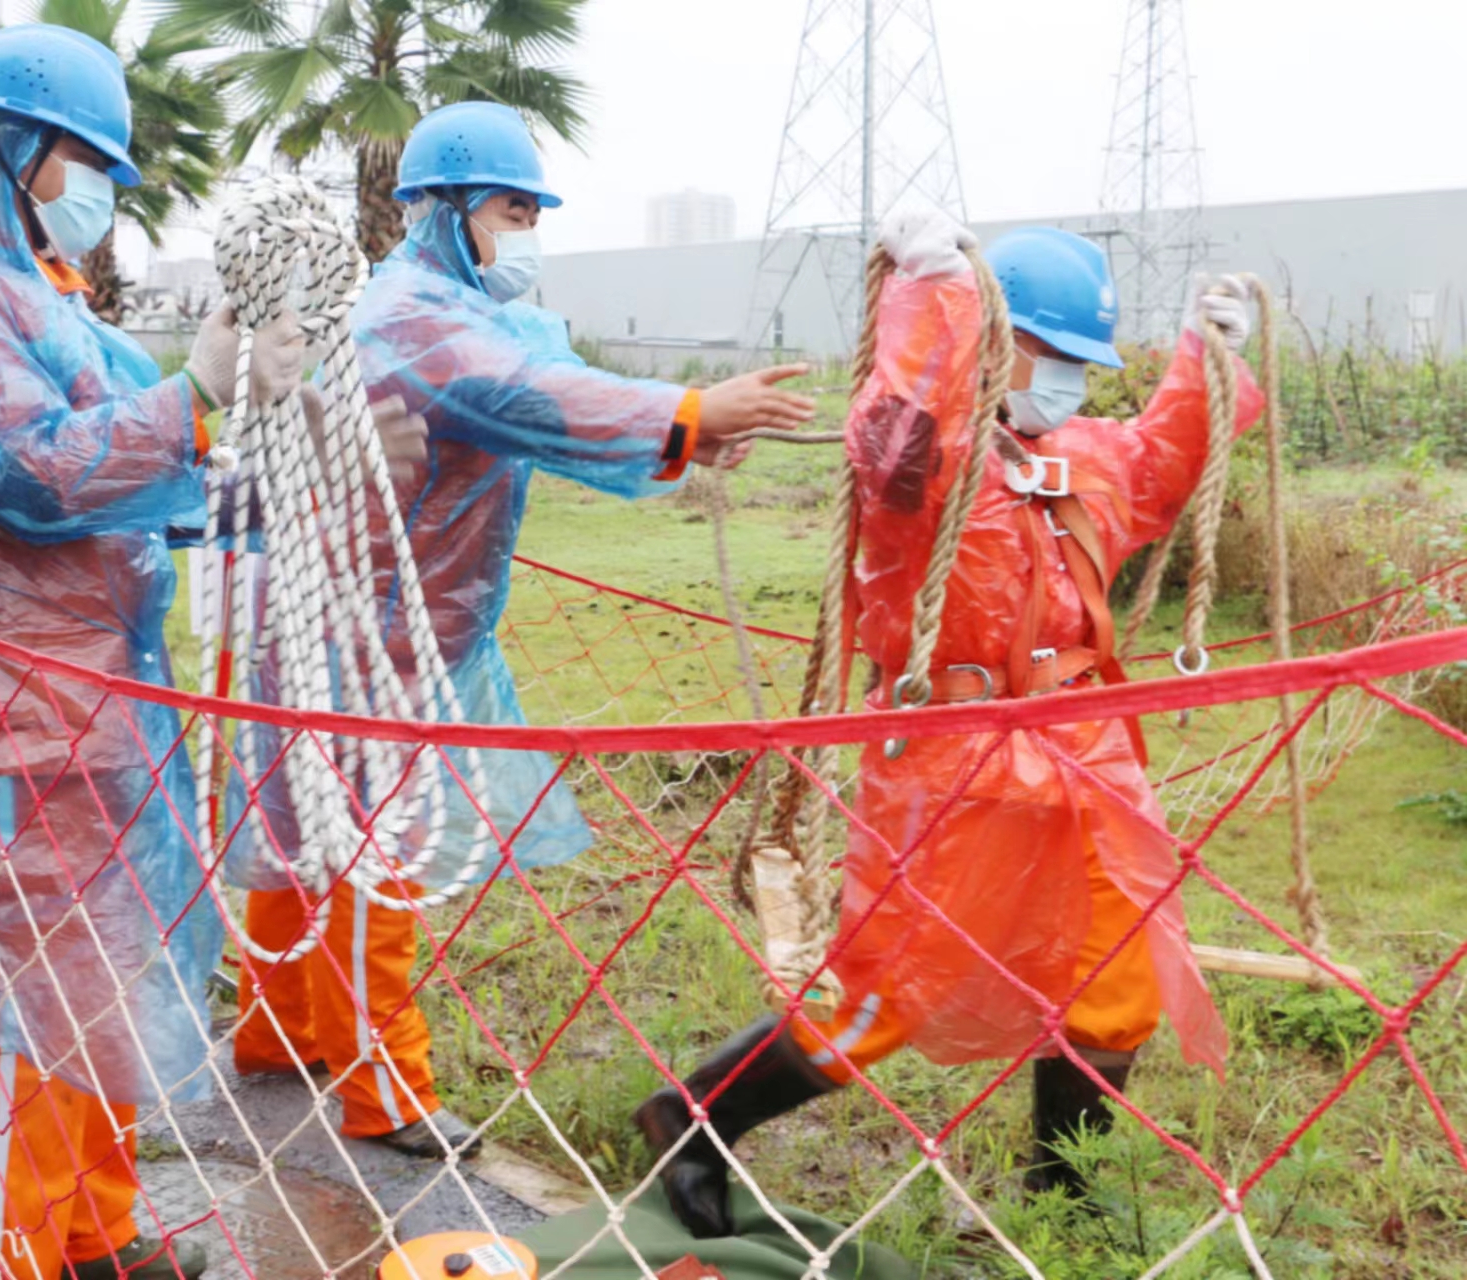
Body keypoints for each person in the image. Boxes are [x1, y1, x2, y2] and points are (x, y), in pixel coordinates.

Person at [634, 209, 1266, 1237]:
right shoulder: (923, 465)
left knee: (1115, 979)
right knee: (890, 991)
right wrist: (933, 296)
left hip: (1083, 750)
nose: (1065, 374)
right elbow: (902, 437)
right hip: (949, 755)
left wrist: (1205, 352)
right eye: (1045, 349)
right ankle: (695, 1115)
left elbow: (1164, 459)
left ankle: (1058, 1192)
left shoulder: (1088, 454)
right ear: (992, 339)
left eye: (1079, 357)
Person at [230, 101, 820, 1159]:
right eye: (513, 208)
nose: (527, 232)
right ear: (448, 212)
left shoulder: (453, 309)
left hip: (348, 625)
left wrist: (680, 439)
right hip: (368, 641)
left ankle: (279, 1034)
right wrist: (686, 411)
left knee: (305, 836)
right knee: (372, 858)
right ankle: (385, 1090)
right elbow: (531, 396)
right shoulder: (416, 319)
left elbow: (545, 413)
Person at [0, 26, 303, 1280]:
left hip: (83, 714)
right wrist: (196, 395)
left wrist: (291, 469)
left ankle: (92, 1234)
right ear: (8, 150)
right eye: (79, 164)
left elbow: (140, 470)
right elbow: (39, 470)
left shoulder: (46, 303)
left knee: (87, 992)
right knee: (2, 1014)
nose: (92, 197)